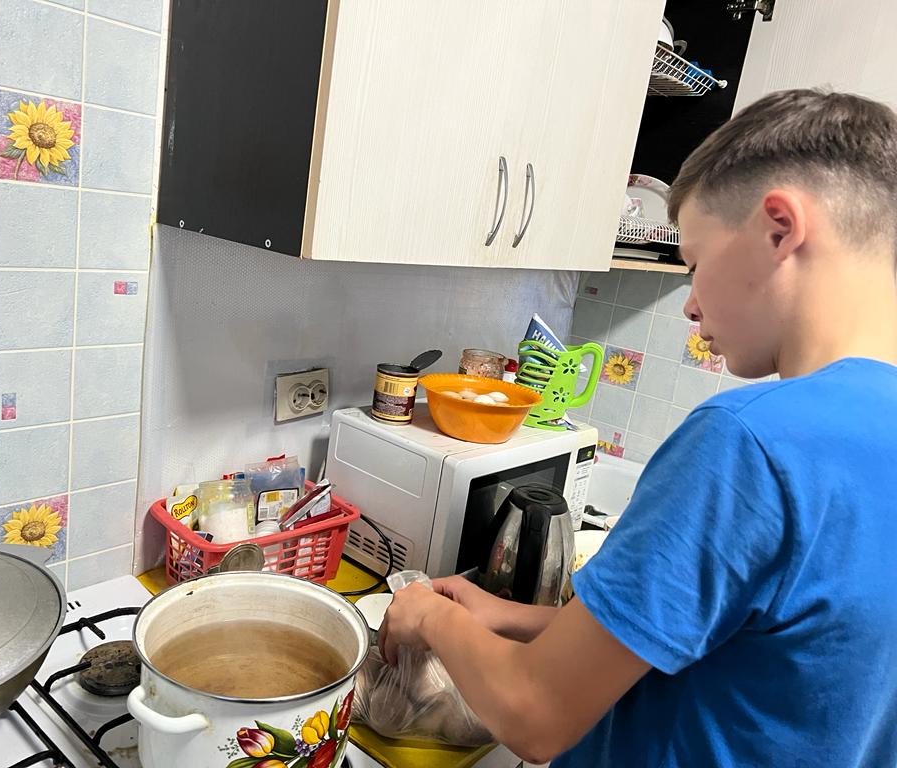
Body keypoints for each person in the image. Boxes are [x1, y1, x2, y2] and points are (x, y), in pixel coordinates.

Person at [377, 88, 897, 767]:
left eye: (696, 264)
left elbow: (534, 713)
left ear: (780, 229)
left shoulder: (748, 442)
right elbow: (755, 650)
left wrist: (430, 615)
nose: (690, 304)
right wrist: (512, 617)